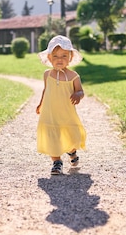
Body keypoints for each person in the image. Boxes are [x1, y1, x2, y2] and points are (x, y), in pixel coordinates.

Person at [36, 35, 87, 175]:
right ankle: (56, 162)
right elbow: (46, 90)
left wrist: (78, 95)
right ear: (50, 58)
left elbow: (81, 91)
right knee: (52, 137)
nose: (59, 59)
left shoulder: (74, 76)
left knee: (69, 137)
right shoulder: (47, 74)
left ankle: (72, 152)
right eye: (56, 56)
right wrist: (40, 105)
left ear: (70, 57)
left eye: (64, 55)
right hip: (49, 113)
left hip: (66, 113)